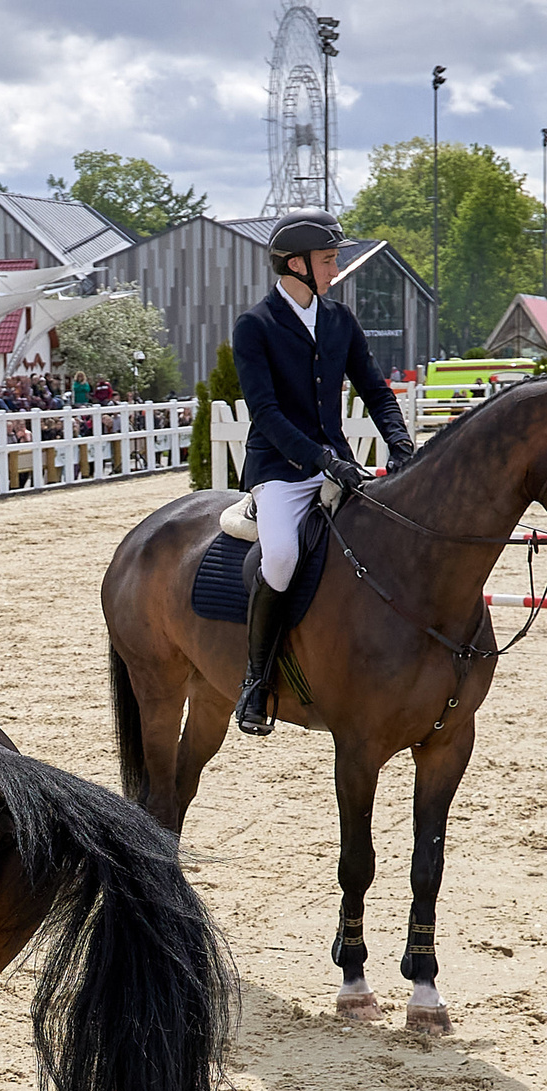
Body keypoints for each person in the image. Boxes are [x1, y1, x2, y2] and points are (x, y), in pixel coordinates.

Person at [228, 208, 414, 737]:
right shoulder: (256, 326)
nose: (336, 269)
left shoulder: (339, 320)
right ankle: (255, 682)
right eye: (329, 259)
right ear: (296, 264)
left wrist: (400, 443)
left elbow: (374, 388)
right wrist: (321, 458)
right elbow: (265, 413)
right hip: (281, 469)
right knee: (282, 557)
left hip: (338, 463)